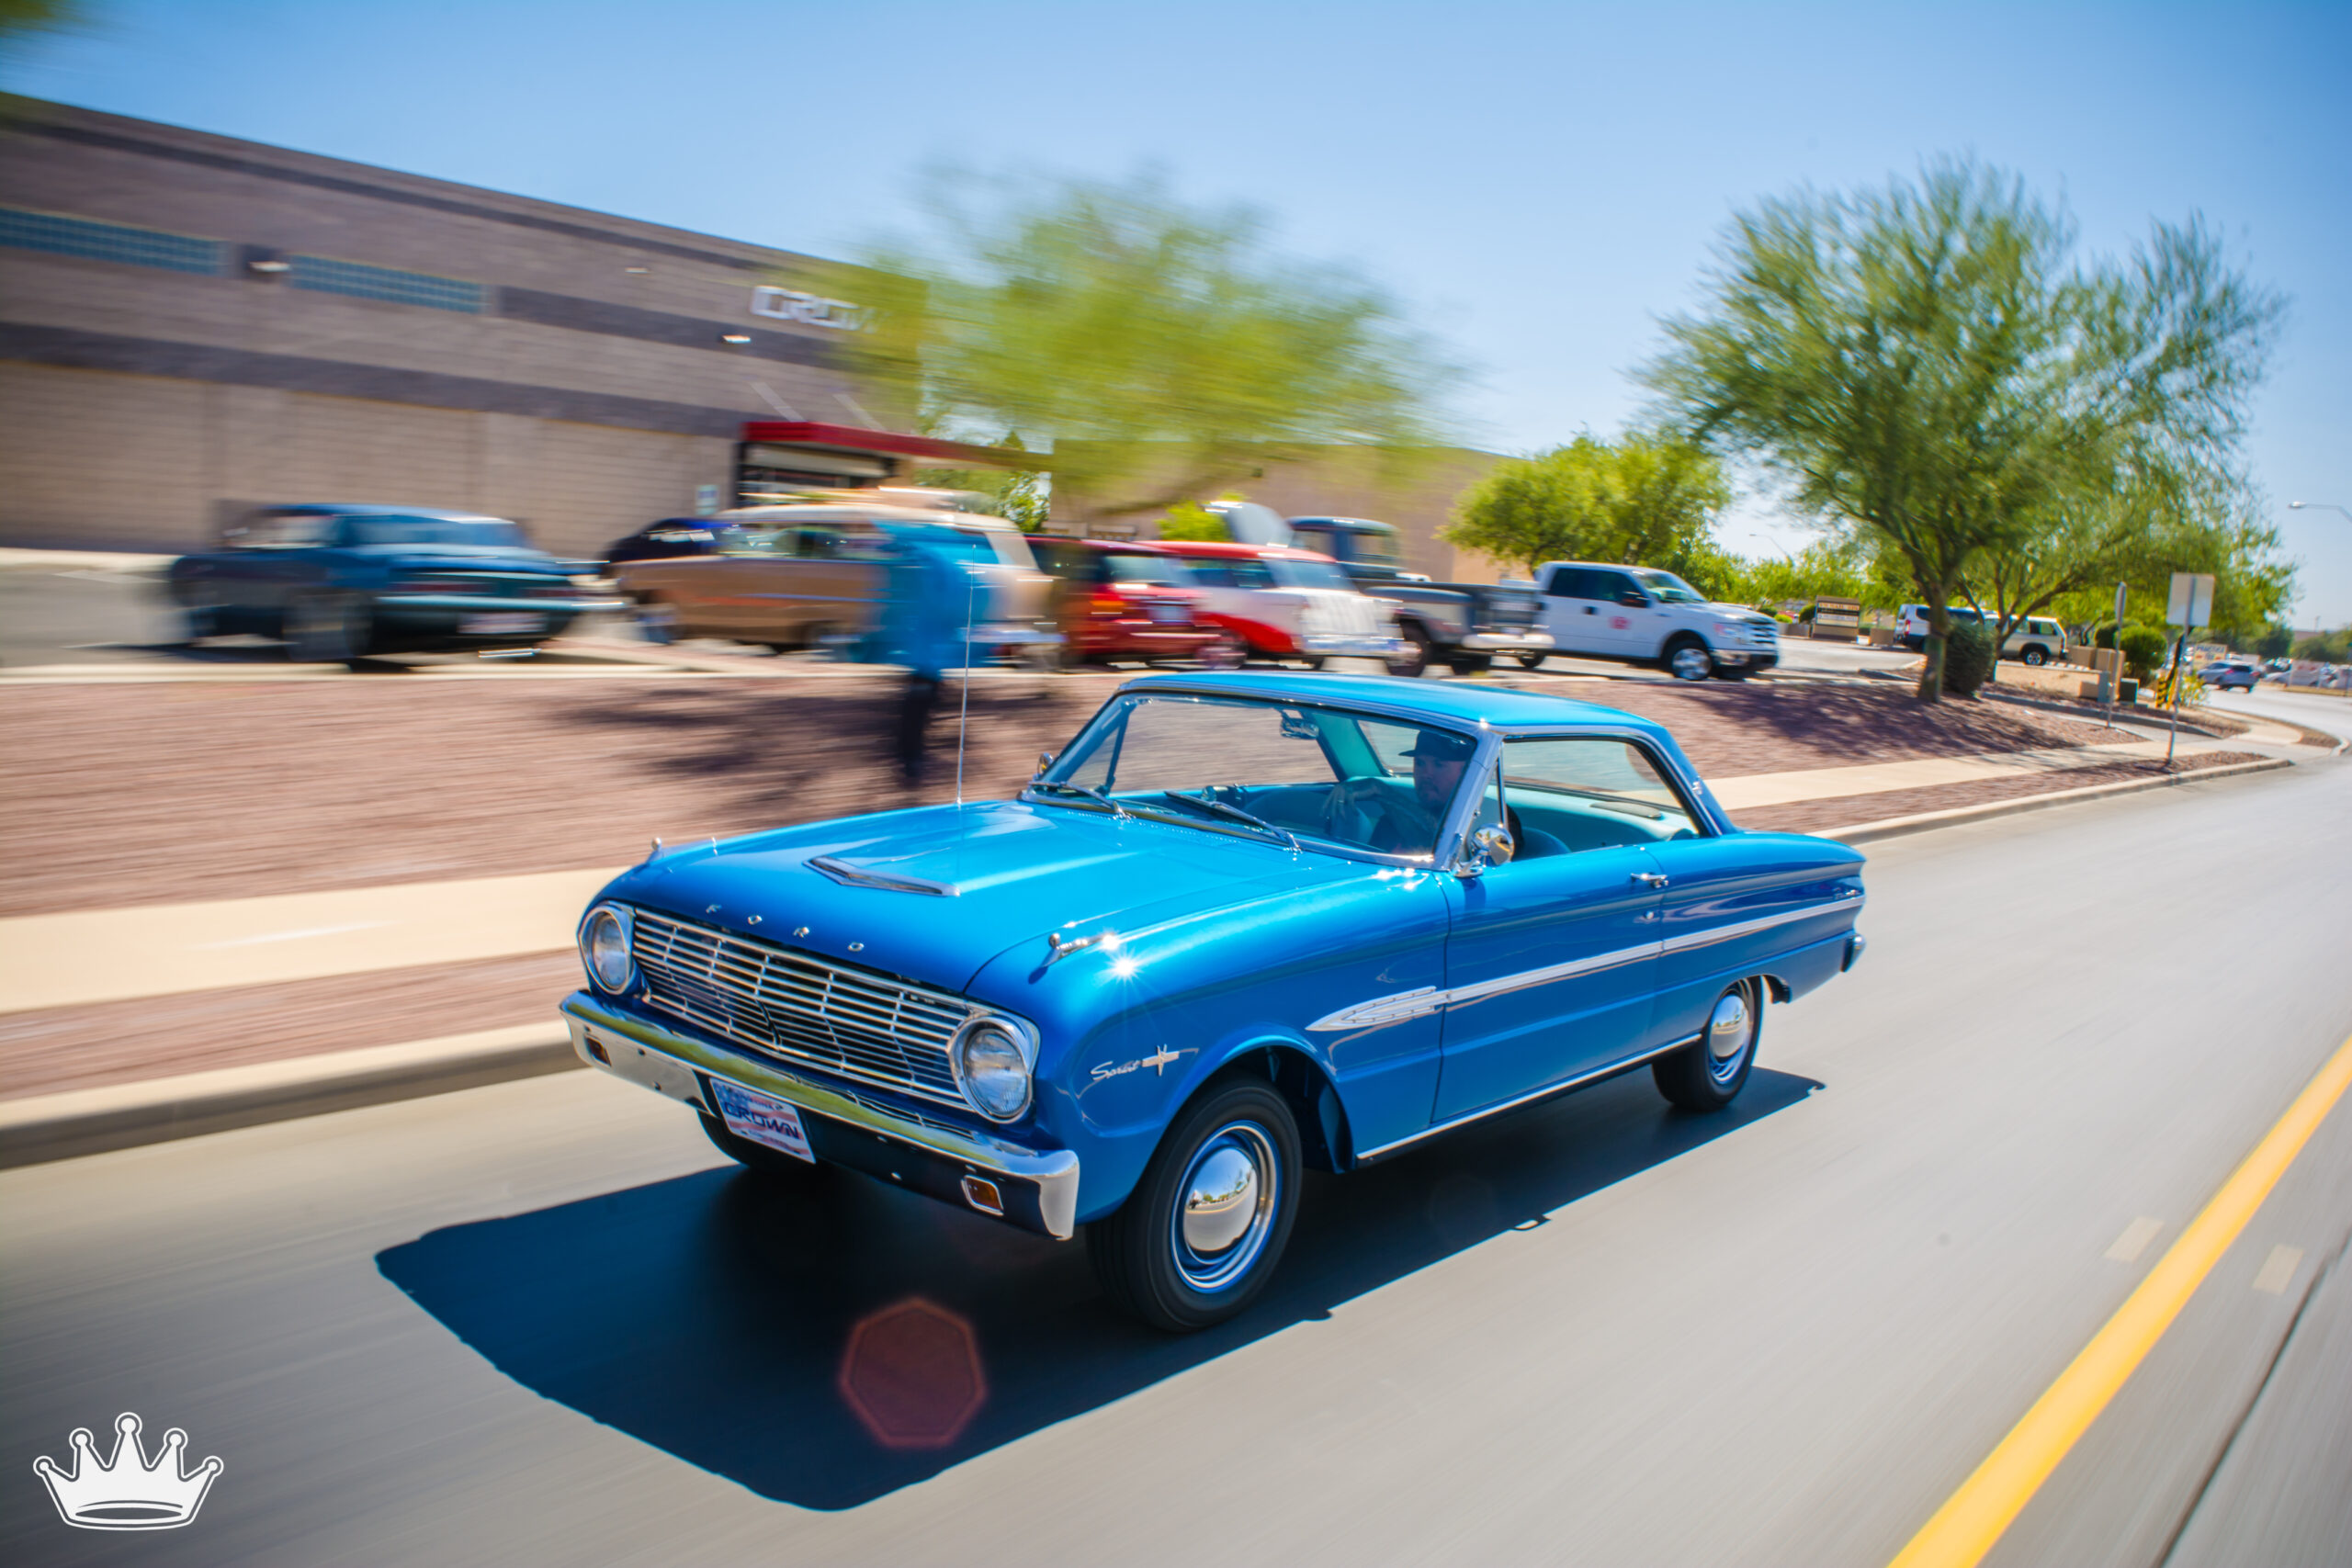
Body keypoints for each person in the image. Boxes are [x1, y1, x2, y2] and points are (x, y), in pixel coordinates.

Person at [876, 526, 984, 785]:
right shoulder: (950, 567)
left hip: (926, 657)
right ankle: (912, 761)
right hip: (932, 656)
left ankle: (911, 763)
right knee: (920, 709)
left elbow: (928, 608)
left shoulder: (929, 566)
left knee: (915, 711)